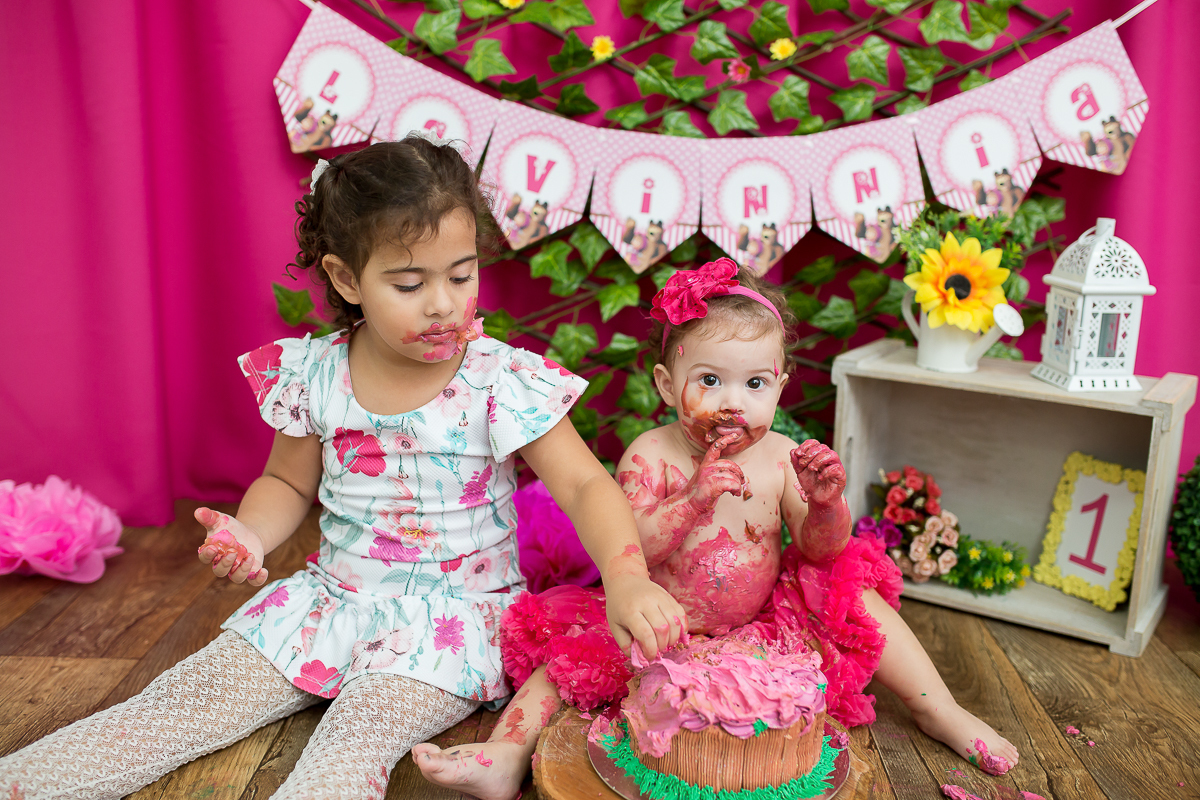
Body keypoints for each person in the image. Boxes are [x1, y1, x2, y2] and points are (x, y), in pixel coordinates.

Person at [0, 137, 685, 800]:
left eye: (462, 273)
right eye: (410, 283)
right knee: (176, 704)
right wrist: (250, 534)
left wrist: (625, 578)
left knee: (352, 739)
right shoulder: (317, 373)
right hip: (327, 603)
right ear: (346, 278)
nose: (444, 303)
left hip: (450, 622)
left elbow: (585, 483)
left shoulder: (497, 379)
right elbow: (287, 482)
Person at [415, 258, 1019, 800]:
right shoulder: (650, 456)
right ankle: (508, 752)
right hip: (659, 626)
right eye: (709, 381)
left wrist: (827, 505)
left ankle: (938, 707)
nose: (732, 403)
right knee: (564, 664)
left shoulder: (782, 456)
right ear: (665, 383)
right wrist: (694, 496)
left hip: (763, 629)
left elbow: (817, 551)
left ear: (780, 387)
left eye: (754, 385)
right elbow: (632, 550)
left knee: (852, 593)